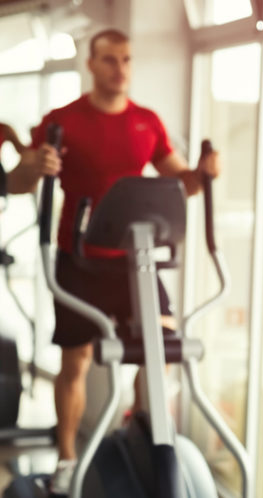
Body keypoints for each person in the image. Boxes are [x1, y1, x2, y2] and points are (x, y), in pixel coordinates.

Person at [11, 28, 221, 496]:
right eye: (109, 60)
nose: (120, 68)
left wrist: (204, 175)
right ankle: (67, 459)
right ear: (91, 64)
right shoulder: (62, 120)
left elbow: (180, 182)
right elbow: (20, 179)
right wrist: (35, 166)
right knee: (77, 360)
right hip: (81, 258)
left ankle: (144, 434)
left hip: (136, 262)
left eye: (126, 59)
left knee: (161, 350)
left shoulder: (147, 121)